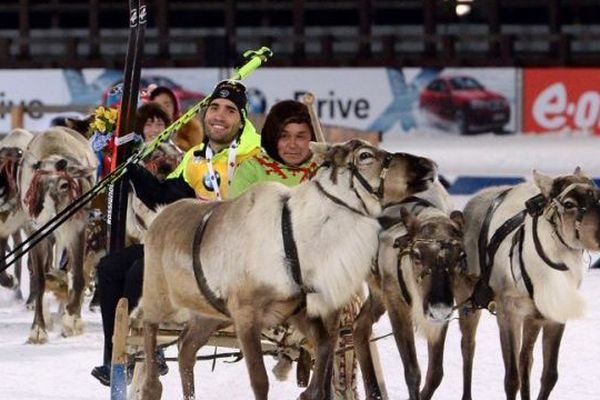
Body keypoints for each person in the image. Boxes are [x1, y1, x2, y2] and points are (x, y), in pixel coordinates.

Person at [91, 80, 260, 386]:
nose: (219, 116)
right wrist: (129, 166)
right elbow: (164, 196)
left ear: (242, 119)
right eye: (214, 108)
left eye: (230, 110)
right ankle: (115, 355)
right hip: (190, 246)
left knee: (141, 271)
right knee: (109, 267)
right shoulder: (196, 157)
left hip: (231, 258)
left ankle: (146, 346)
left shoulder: (255, 156)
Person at [230, 100, 360, 400]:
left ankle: (338, 391)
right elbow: (238, 226)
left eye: (301, 136)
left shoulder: (327, 172)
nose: (292, 144)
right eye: (284, 135)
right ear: (272, 137)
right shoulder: (252, 170)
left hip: (319, 275)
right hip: (263, 275)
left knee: (347, 310)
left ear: (311, 139)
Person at [148, 85, 204, 152]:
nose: (162, 109)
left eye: (167, 105)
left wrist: (175, 144)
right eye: (157, 105)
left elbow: (195, 152)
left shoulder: (190, 126)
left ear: (175, 107)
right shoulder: (143, 125)